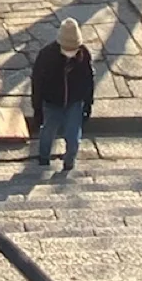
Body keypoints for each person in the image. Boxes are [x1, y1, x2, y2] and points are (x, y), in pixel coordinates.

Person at [28, 19, 95, 177]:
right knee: (47, 133)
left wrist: (88, 104)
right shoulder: (46, 55)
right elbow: (37, 82)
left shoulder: (83, 55)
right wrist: (37, 108)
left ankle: (69, 162)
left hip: (74, 102)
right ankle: (43, 160)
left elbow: (89, 81)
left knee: (73, 138)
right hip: (52, 103)